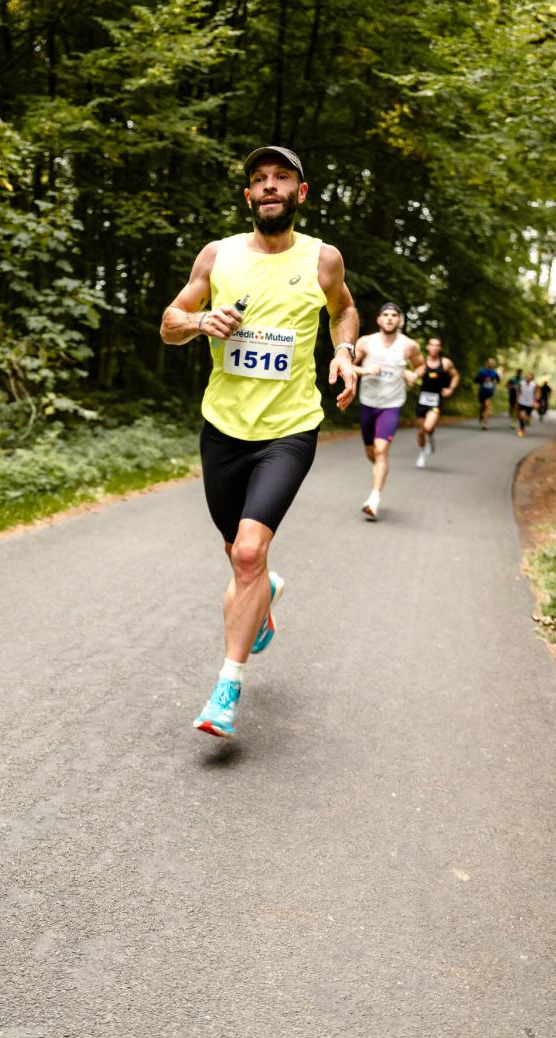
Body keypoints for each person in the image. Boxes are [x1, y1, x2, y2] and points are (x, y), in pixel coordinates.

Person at [159, 145, 358, 739]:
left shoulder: (322, 259)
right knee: (237, 552)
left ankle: (226, 689)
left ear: (300, 193)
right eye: (260, 179)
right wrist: (201, 321)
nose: (270, 186)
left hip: (289, 430)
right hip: (223, 429)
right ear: (248, 195)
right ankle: (264, 593)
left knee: (248, 552)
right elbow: (169, 323)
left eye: (282, 178)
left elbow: (344, 312)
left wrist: (345, 352)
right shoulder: (217, 255)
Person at [353, 302, 423, 518]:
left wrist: (413, 374)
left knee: (381, 450)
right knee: (371, 452)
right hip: (368, 402)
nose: (390, 318)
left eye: (394, 315)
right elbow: (348, 365)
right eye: (386, 315)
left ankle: (374, 499)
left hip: (391, 404)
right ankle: (380, 470)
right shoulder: (366, 342)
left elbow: (420, 366)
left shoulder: (409, 345)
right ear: (379, 319)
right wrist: (365, 371)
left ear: (399, 320)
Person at [412, 336, 460, 468]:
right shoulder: (422, 362)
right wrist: (411, 378)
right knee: (421, 431)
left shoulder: (445, 363)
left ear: (440, 348)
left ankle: (430, 439)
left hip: (436, 400)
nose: (434, 347)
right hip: (422, 400)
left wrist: (450, 389)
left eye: (437, 345)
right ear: (428, 347)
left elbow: (455, 376)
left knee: (428, 427)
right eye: (432, 345)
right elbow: (415, 374)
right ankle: (422, 453)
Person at [474, 357, 501, 429]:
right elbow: (475, 380)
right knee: (483, 406)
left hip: (489, 391)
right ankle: (481, 415)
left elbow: (498, 380)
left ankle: (485, 424)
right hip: (482, 391)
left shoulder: (494, 372)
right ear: (487, 364)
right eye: (489, 363)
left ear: (494, 365)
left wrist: (494, 383)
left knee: (486, 406)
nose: (491, 364)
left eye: (492, 363)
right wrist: (483, 379)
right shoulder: (482, 371)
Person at [516, 371, 539, 436]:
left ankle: (528, 420)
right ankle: (522, 430)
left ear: (532, 378)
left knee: (527, 417)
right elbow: (518, 391)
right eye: (527, 377)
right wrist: (517, 399)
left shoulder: (534, 384)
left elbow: (536, 393)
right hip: (522, 402)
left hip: (530, 403)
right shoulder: (521, 383)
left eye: (530, 377)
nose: (528, 378)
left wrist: (536, 402)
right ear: (525, 377)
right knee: (521, 415)